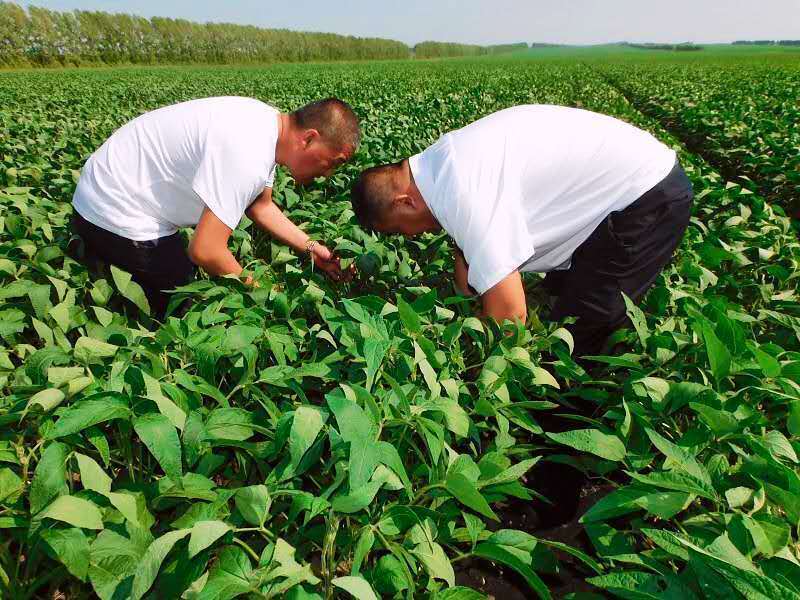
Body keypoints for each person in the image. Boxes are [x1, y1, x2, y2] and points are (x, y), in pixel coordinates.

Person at [350, 105, 693, 358]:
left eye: (399, 229)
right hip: (607, 194)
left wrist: (471, 362)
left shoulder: (463, 192)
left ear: (404, 203)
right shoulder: (438, 164)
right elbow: (465, 252)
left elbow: (511, 317)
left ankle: (559, 443)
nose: (411, 237)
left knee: (576, 336)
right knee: (558, 301)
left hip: (644, 195)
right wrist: (470, 302)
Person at [71, 96, 359, 316]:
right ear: (309, 138)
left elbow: (261, 206)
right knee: (188, 299)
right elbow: (205, 250)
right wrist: (262, 294)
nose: (328, 174)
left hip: (103, 188)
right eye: (333, 162)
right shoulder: (248, 153)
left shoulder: (266, 126)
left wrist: (311, 248)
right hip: (111, 208)